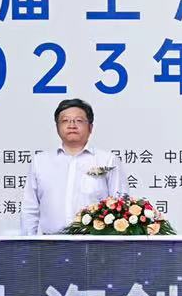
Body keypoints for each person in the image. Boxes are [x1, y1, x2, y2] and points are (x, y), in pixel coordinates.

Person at [22, 98, 130, 234]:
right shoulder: (40, 161)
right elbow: (30, 209)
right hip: (50, 243)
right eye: (65, 121)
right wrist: (28, 243)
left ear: (90, 127)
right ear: (57, 127)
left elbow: (120, 206)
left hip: (94, 243)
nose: (71, 125)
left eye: (78, 120)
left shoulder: (108, 160)